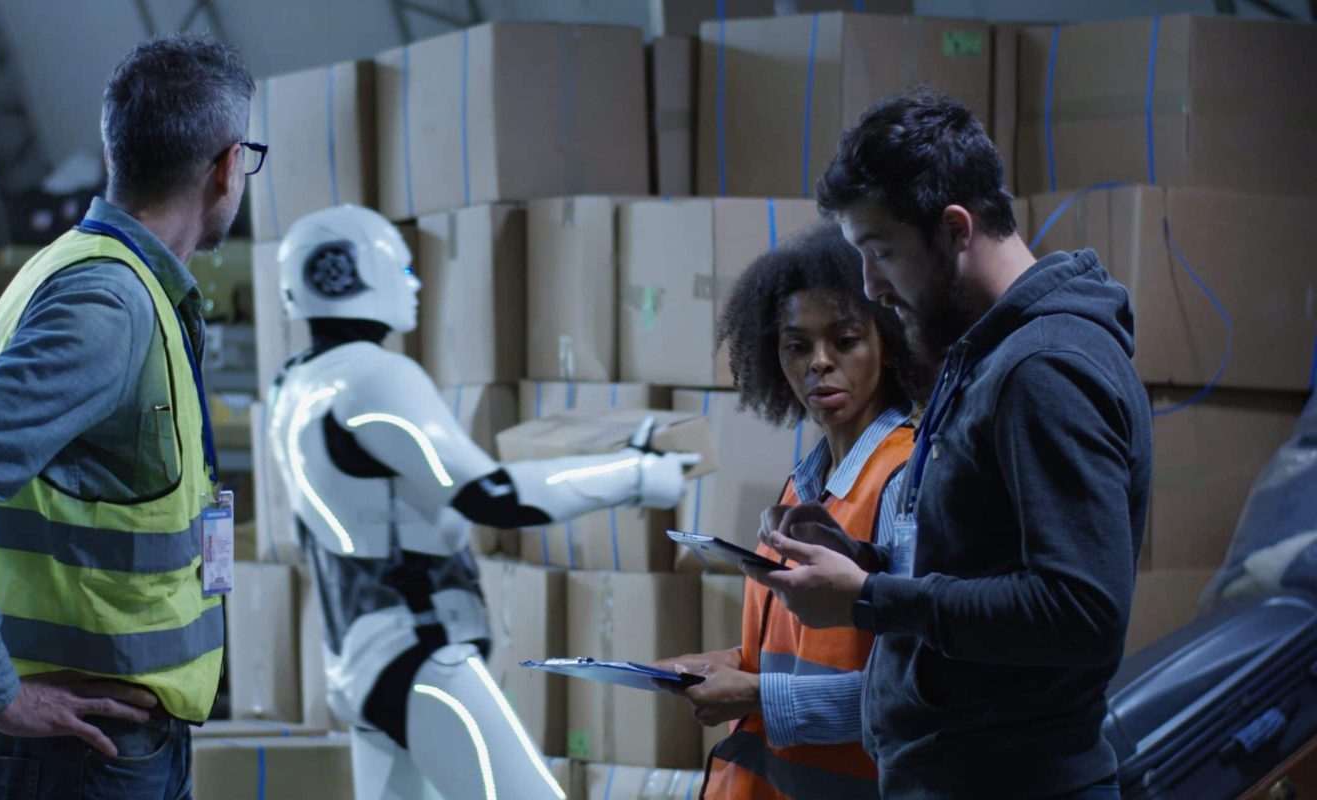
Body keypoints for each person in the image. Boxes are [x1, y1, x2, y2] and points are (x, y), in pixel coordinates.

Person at [0, 35, 258, 800]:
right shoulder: (106, 307)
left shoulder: (66, 272)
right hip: (88, 750)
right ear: (226, 166)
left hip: (108, 742)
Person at [743, 88, 1152, 800]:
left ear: (956, 229)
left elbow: (1081, 613)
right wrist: (861, 561)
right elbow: (985, 562)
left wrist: (870, 599)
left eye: (881, 253)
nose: (871, 286)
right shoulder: (987, 357)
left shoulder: (1042, 368)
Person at [265, 204, 698, 800]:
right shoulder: (374, 378)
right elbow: (491, 496)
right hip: (416, 652)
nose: (414, 285)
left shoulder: (293, 384)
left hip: (358, 656)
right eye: (404, 268)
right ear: (352, 272)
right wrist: (639, 475)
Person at [654, 223, 922, 799]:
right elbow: (806, 655)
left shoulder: (904, 480)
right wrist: (727, 664)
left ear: (887, 342)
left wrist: (752, 694)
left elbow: (916, 690)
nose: (819, 364)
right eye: (796, 346)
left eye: (845, 340)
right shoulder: (802, 487)